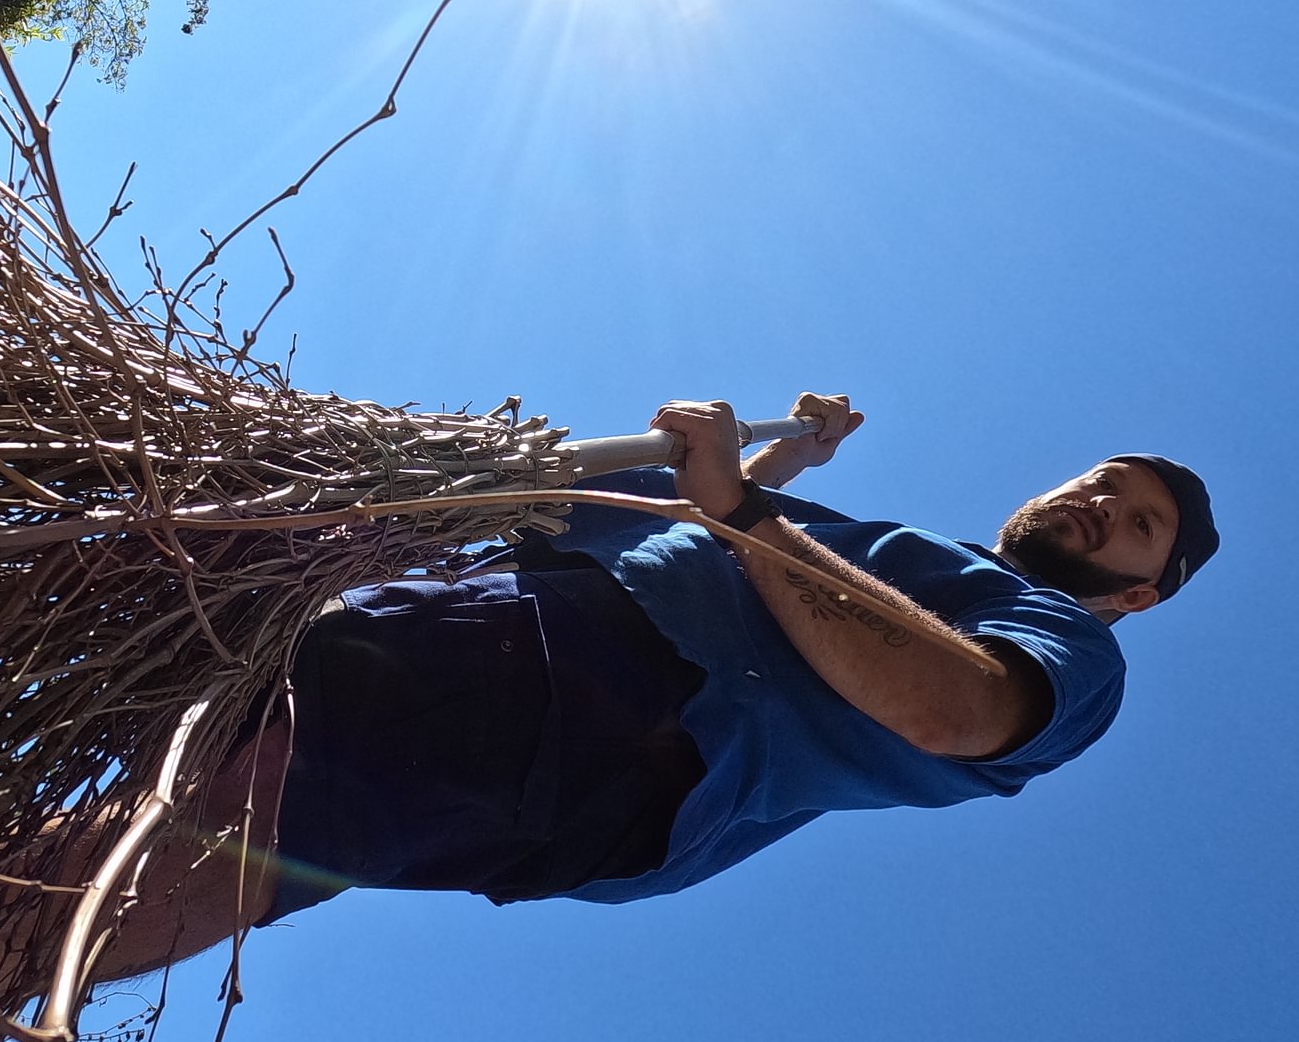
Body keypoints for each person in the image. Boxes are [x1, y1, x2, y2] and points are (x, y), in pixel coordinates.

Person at [89, 392, 1219, 977]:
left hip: (605, 705)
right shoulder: (888, 550)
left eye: (1137, 523)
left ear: (1139, 592)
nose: (1099, 504)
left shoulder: (1068, 647)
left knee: (248, 820)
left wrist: (745, 503)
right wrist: (780, 467)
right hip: (511, 614)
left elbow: (953, 708)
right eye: (1101, 481)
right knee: (163, 790)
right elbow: (703, 536)